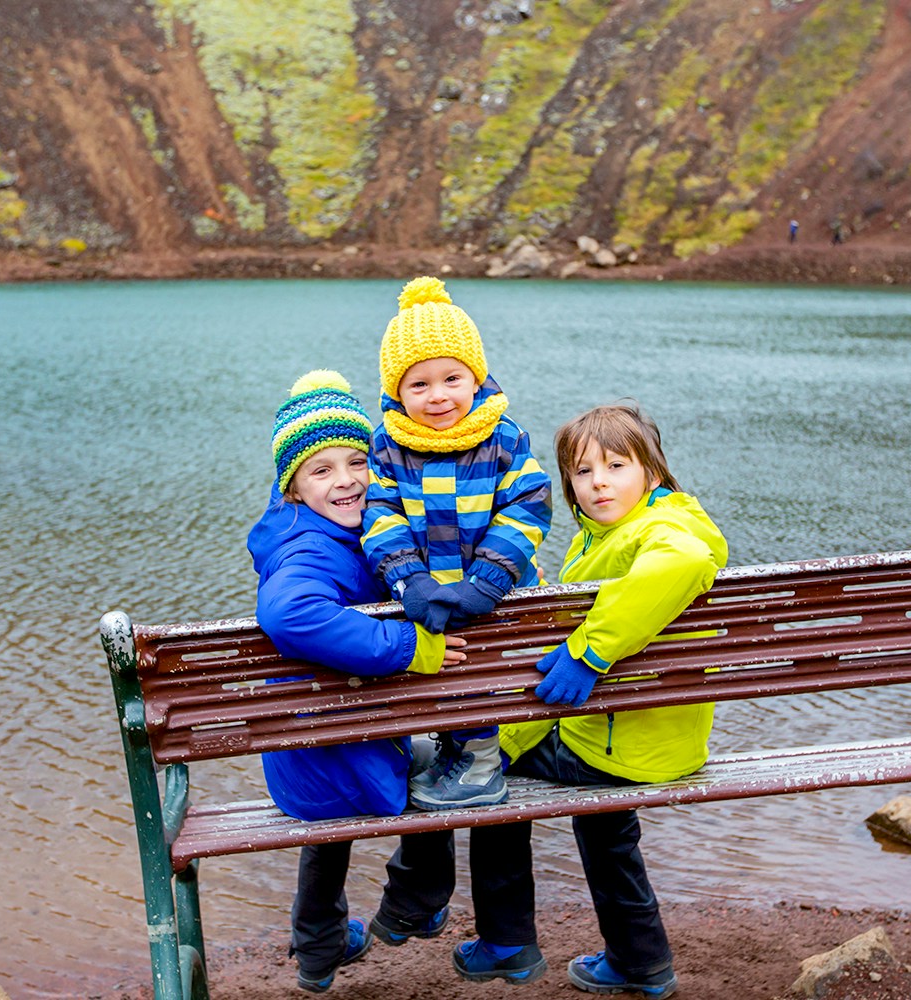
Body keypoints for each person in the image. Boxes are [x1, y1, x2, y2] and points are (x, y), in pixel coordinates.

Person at [455, 402, 729, 996]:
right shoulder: (627, 530)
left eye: (615, 465)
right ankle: (642, 964)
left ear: (652, 472)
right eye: (582, 472)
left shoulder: (663, 533)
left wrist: (589, 654)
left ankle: (506, 941)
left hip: (616, 742)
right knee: (604, 827)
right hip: (659, 738)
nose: (598, 482)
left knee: (488, 774)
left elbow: (683, 562)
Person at [248, 369, 463, 993]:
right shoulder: (310, 550)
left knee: (337, 804)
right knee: (446, 759)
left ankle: (317, 949)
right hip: (346, 756)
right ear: (292, 485)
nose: (345, 481)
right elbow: (289, 612)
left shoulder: (311, 531)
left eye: (357, 462)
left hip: (307, 764)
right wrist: (408, 647)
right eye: (321, 471)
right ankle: (412, 904)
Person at [362, 276, 553, 810]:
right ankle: (455, 751)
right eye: (418, 385)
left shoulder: (503, 437)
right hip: (426, 595)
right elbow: (381, 514)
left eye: (452, 378)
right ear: (396, 391)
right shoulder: (388, 445)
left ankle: (480, 767)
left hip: (493, 595)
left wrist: (487, 582)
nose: (438, 396)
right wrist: (409, 580)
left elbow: (529, 507)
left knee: (482, 676)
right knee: (447, 676)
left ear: (477, 377)